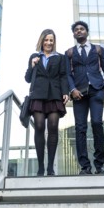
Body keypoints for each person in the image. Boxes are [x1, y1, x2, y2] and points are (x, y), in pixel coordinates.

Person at [66, 21, 104, 175]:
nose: (79, 31)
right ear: (74, 34)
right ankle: (85, 166)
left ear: (87, 32)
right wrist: (72, 89)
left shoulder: (98, 49)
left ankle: (99, 165)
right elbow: (67, 74)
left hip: (96, 90)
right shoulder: (69, 53)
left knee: (97, 123)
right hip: (79, 93)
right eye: (76, 30)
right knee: (80, 128)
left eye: (82, 29)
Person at [25, 29, 69, 176]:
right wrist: (32, 65)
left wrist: (65, 92)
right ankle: (40, 166)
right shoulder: (34, 56)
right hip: (38, 95)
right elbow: (27, 78)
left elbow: (63, 76)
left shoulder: (60, 58)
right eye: (46, 40)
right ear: (41, 41)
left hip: (54, 95)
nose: (49, 43)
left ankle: (50, 166)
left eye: (51, 40)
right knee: (38, 126)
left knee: (53, 126)